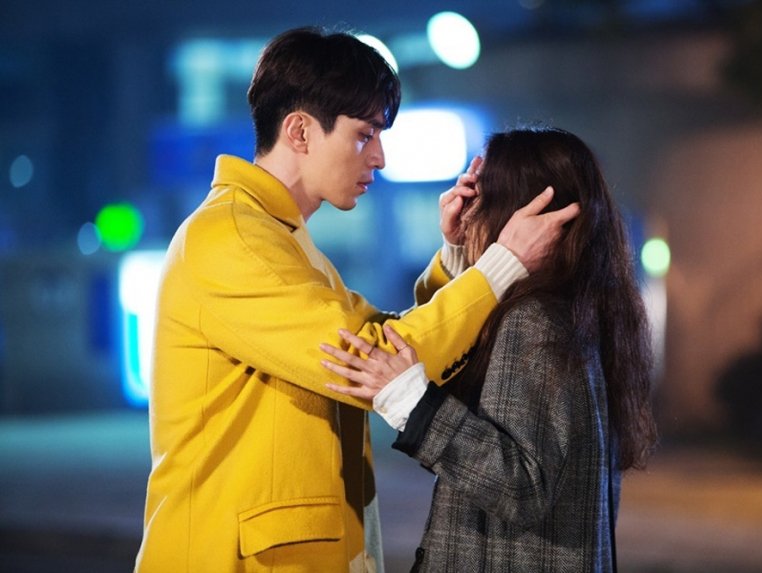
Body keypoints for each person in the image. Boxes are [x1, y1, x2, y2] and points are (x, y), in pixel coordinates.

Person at [134, 29, 579, 573]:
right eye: (364, 135)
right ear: (300, 131)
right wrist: (502, 264)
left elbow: (387, 341)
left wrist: (457, 257)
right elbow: (370, 359)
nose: (380, 157)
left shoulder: (281, 240)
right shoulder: (231, 238)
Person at [322, 126, 658, 572]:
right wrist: (462, 253)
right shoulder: (577, 312)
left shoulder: (533, 322)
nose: (470, 209)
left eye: (484, 197)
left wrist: (413, 404)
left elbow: (522, 487)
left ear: (518, 214)